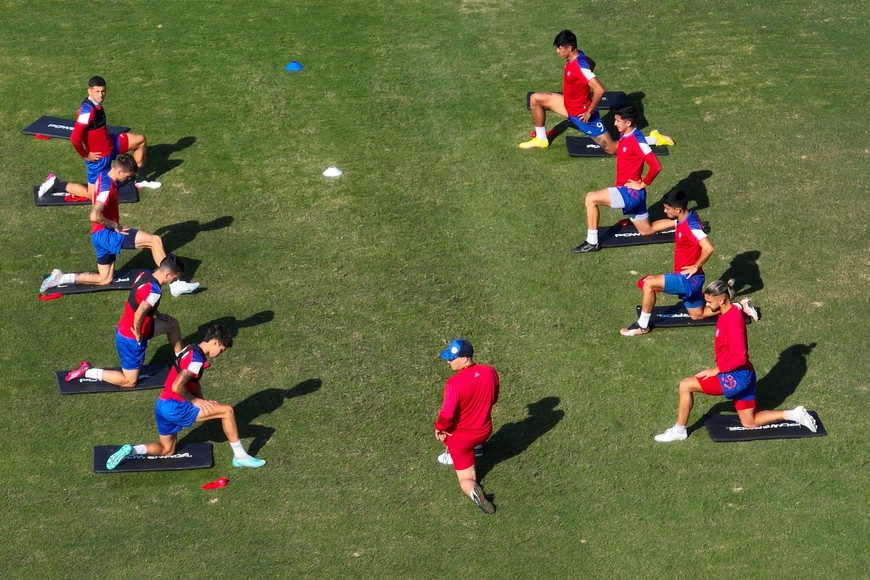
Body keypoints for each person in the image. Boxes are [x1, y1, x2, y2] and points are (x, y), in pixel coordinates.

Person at [654, 280, 817, 442]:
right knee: (749, 422)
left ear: (721, 300)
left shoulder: (733, 322)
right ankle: (794, 414)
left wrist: (716, 370)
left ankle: (679, 431)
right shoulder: (729, 311)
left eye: (709, 301)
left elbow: (740, 357)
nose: (706, 305)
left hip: (735, 378)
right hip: (746, 376)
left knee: (686, 385)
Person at [105, 324, 266, 469]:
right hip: (176, 406)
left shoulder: (190, 348)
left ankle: (132, 450)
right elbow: (177, 386)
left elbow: (192, 381)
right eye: (222, 349)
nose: (220, 354)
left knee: (167, 450)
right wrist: (195, 401)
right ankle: (240, 457)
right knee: (227, 411)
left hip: (162, 404)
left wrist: (202, 400)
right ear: (215, 342)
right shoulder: (196, 360)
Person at [38, 154, 197, 294]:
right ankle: (175, 285)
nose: (128, 180)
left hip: (97, 236)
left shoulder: (103, 175)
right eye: (127, 177)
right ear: (120, 171)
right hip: (107, 234)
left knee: (105, 279)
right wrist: (114, 225)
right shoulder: (107, 188)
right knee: (154, 240)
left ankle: (61, 278)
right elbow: (94, 215)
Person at [620, 190, 759, 336]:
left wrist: (695, 266)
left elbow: (709, 247)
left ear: (678, 210)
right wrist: (648, 229)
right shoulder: (686, 217)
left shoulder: (691, 226)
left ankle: (642, 326)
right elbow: (669, 224)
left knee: (649, 283)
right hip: (693, 280)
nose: (664, 211)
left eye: (667, 208)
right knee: (697, 315)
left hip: (687, 279)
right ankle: (739, 306)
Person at [520, 30, 673, 152]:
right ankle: (541, 140)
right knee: (535, 99)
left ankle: (654, 138)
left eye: (559, 48)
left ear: (569, 48)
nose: (557, 51)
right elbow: (592, 63)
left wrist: (588, 112)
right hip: (568, 107)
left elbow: (599, 89)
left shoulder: (579, 67)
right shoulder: (577, 55)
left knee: (612, 148)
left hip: (582, 116)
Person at [64, 255, 185, 388]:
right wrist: (138, 333)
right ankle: (87, 371)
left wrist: (159, 315)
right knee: (130, 382)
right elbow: (138, 315)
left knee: (172, 325)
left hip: (138, 326)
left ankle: (182, 361)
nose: (174, 281)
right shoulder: (154, 292)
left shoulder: (145, 275)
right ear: (168, 275)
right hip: (131, 338)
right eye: (175, 278)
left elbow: (142, 300)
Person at [434, 338, 499, 514]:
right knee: (474, 440)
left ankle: (474, 492)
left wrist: (439, 428)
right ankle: (478, 449)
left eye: (451, 358)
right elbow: (494, 398)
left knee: (466, 479)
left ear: (464, 359)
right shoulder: (490, 371)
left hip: (461, 441)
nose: (448, 361)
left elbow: (446, 416)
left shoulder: (454, 384)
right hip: (484, 431)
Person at [72, 75, 160, 194]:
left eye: (103, 91)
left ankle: (141, 179)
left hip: (111, 143)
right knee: (91, 194)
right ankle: (56, 183)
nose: (101, 95)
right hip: (100, 156)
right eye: (97, 92)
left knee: (140, 140)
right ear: (89, 91)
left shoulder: (96, 103)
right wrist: (86, 155)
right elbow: (75, 138)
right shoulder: (87, 111)